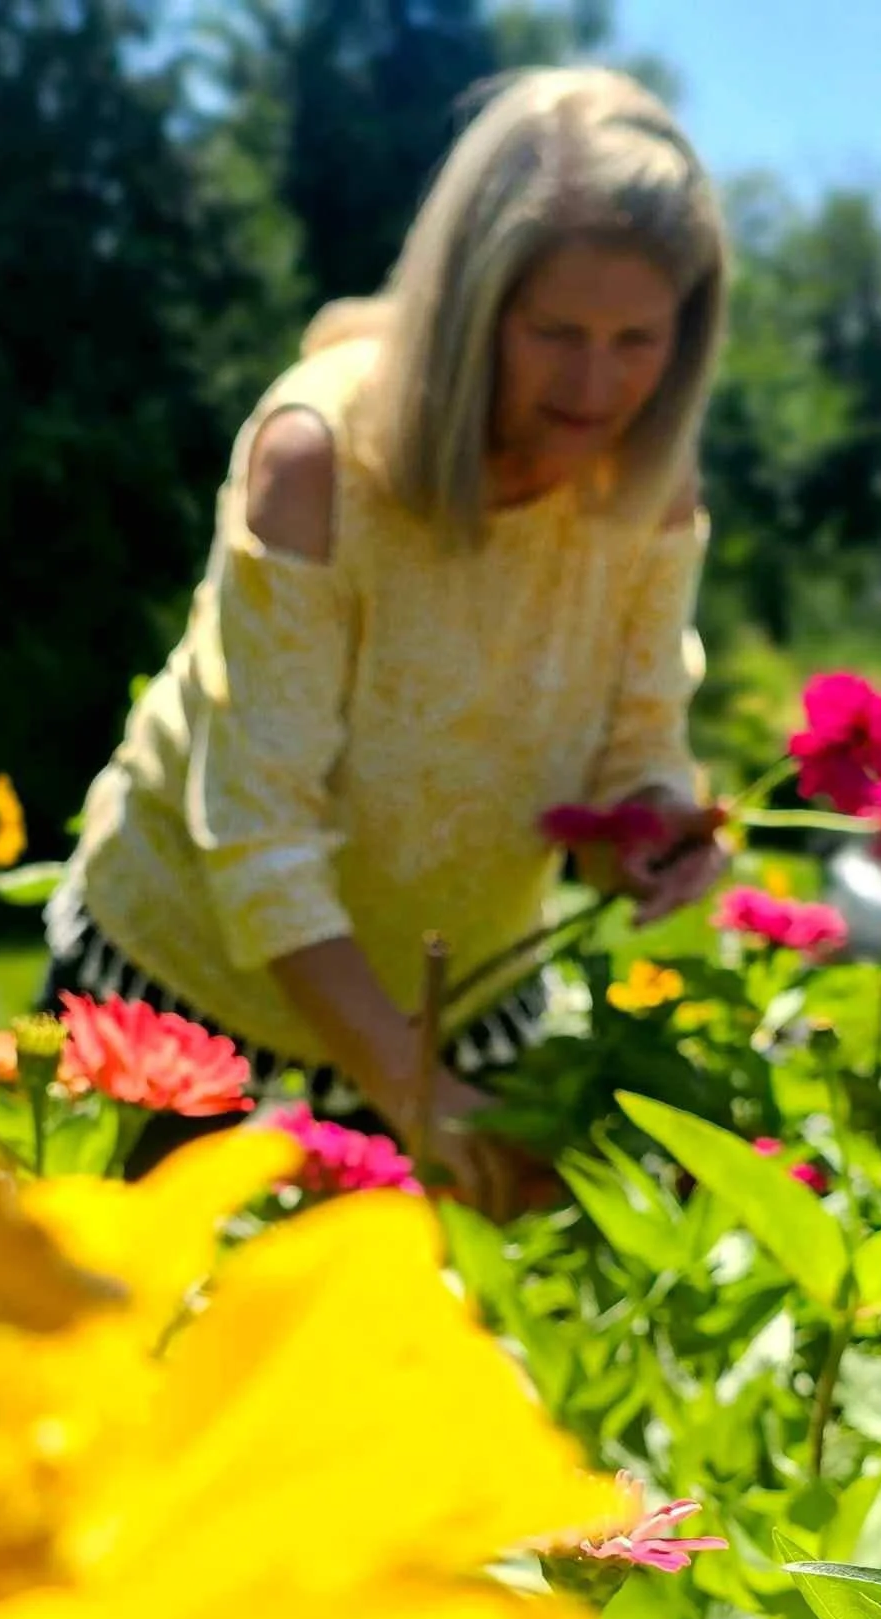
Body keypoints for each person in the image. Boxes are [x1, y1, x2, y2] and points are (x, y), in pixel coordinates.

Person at [45, 65, 730, 1214]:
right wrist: (415, 1091)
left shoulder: (648, 487)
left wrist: (649, 825)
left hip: (460, 1013)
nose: (597, 382)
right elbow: (256, 835)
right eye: (555, 330)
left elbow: (638, 736)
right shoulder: (321, 460)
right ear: (470, 307)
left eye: (638, 339)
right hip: (190, 1002)